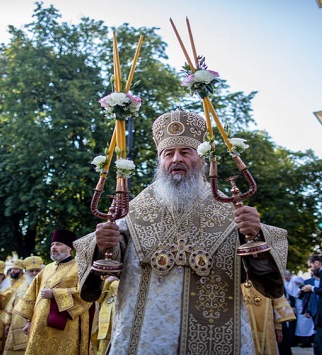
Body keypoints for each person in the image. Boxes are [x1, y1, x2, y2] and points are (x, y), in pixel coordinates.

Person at [74, 110, 288, 354]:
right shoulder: (133, 209)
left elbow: (267, 281)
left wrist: (256, 233)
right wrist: (102, 244)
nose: (177, 159)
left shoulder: (229, 207)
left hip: (214, 326)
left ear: (201, 159)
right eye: (169, 153)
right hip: (144, 332)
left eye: (185, 152)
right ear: (161, 161)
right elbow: (108, 259)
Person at [15, 229, 92, 355]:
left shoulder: (79, 267)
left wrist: (55, 294)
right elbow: (33, 294)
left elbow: (85, 293)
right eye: (52, 245)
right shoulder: (47, 269)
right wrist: (29, 321)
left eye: (58, 244)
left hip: (65, 326)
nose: (54, 247)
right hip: (39, 325)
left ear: (69, 248)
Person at [0, 255, 43, 355]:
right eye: (31, 271)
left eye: (37, 270)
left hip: (35, 324)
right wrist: (7, 322)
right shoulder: (22, 286)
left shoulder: (45, 285)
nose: (34, 273)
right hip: (16, 324)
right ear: (26, 272)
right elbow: (12, 304)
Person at [242, 281, 295, 355]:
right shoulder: (234, 275)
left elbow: (277, 303)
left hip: (267, 324)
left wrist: (278, 327)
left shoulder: (268, 276)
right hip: (242, 323)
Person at [91, 275, 119, 355]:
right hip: (105, 318)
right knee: (102, 349)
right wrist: (107, 282)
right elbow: (98, 299)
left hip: (119, 318)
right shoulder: (104, 276)